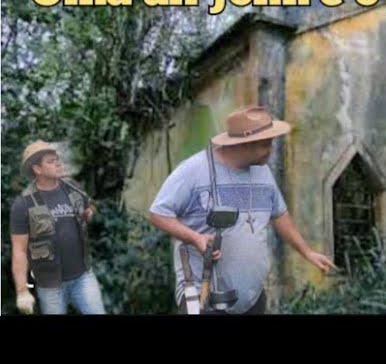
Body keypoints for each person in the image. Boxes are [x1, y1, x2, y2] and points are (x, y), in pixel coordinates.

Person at [149, 105, 336, 314]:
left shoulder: (263, 172)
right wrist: (195, 238)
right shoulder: (194, 170)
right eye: (266, 144)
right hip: (203, 298)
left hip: (252, 298)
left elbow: (279, 213)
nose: (271, 149)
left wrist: (307, 251)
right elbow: (158, 213)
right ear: (245, 144)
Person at [10, 141, 106, 314]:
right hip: (50, 286)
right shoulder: (23, 204)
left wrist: (89, 213)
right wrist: (22, 291)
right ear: (37, 169)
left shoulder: (73, 188)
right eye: (50, 161)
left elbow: (90, 206)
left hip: (83, 276)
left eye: (57, 159)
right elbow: (19, 251)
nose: (58, 163)